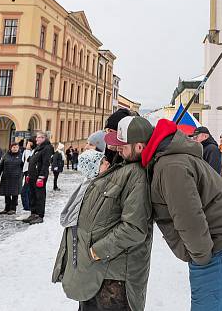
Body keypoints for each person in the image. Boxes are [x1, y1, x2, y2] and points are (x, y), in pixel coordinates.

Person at [139, 118, 222, 311]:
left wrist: (201, 257)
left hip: (219, 246)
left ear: (140, 145)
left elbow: (190, 219)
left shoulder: (170, 166)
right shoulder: (172, 159)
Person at [53, 115, 153, 311]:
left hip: (112, 277)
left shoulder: (136, 174)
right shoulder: (119, 166)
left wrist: (96, 251)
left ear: (138, 145)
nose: (115, 146)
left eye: (119, 141)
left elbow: (134, 227)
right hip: (95, 273)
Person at [23, 132, 53, 224]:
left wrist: (41, 177)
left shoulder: (47, 148)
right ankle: (33, 213)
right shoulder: (37, 147)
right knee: (32, 194)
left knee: (39, 195)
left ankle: (40, 215)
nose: (36, 139)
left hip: (39, 175)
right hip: (32, 174)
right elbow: (31, 160)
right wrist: (28, 174)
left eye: (39, 137)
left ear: (44, 138)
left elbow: (45, 163)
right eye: (37, 137)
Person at [0, 143, 24, 214]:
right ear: (11, 148)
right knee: (7, 193)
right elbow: (0, 167)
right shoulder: (6, 155)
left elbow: (24, 167)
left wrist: (23, 175)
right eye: (13, 147)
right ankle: (7, 208)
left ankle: (13, 208)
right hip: (6, 177)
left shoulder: (21, 156)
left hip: (16, 178)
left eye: (16, 147)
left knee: (15, 194)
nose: (15, 148)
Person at [19, 139, 34, 217]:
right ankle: (28, 206)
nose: (26, 145)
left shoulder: (33, 152)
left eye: (28, 144)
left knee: (24, 191)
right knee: (27, 190)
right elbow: (23, 161)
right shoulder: (25, 151)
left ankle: (27, 207)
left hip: (30, 172)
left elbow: (29, 160)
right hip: (26, 171)